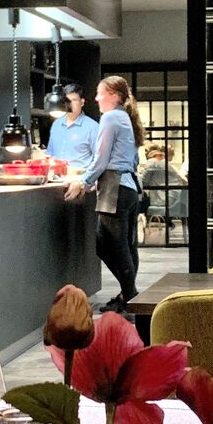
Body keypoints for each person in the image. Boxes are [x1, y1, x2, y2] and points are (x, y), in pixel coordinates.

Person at [64, 75, 143, 312]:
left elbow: (101, 158)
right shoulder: (125, 117)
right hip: (128, 187)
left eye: (100, 93)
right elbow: (130, 159)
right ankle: (128, 295)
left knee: (110, 246)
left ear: (114, 96)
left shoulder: (110, 118)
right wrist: (92, 181)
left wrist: (83, 181)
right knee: (126, 246)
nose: (96, 98)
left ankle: (131, 296)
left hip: (114, 189)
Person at [46, 83, 99, 170]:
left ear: (82, 102)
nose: (70, 104)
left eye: (74, 100)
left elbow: (99, 160)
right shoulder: (56, 124)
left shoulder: (93, 127)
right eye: (67, 100)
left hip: (80, 176)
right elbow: (50, 154)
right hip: (56, 175)